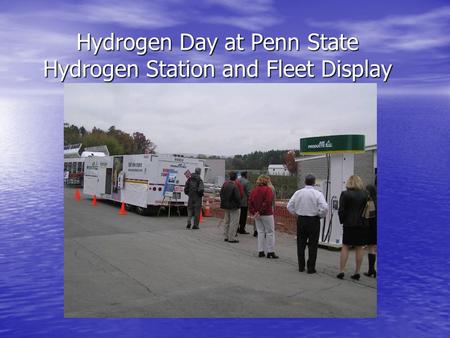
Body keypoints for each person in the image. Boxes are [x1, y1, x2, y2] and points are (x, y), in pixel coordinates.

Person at [287, 174, 328, 274]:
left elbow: (289, 206)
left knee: (300, 244)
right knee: (313, 245)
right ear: (314, 182)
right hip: (313, 220)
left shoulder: (298, 193)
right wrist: (320, 215)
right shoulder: (318, 194)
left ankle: (301, 266)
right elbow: (325, 208)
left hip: (301, 219)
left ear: (305, 182)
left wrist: (296, 213)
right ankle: (311, 268)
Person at [336, 175, 369, 280]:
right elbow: (370, 211)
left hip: (349, 224)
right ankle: (357, 272)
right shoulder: (366, 194)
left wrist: (343, 220)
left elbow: (341, 210)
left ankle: (342, 270)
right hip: (362, 224)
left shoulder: (345, 194)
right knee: (360, 247)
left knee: (345, 245)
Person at [249, 175, 278, 258]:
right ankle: (270, 251)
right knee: (270, 232)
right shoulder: (268, 190)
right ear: (267, 181)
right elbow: (268, 202)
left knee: (260, 232)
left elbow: (250, 202)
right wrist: (260, 211)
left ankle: (260, 251)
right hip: (267, 214)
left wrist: (254, 212)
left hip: (257, 214)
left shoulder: (254, 190)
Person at [220, 171, 241, 243]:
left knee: (226, 221)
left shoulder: (225, 185)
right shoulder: (235, 186)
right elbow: (237, 197)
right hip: (233, 206)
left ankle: (226, 236)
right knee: (233, 222)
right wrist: (239, 204)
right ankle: (231, 237)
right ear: (235, 177)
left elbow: (221, 194)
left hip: (226, 205)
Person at [364, 184, 377, 278]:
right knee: (372, 248)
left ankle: (371, 270)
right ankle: (371, 269)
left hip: (371, 227)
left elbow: (368, 216)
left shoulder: (370, 202)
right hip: (377, 227)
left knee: (370, 248)